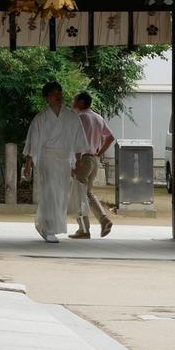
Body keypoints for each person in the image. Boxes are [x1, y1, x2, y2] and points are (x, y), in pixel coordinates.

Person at [23, 81, 92, 243]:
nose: (58, 96)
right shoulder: (41, 118)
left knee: (61, 195)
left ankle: (47, 225)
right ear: (47, 97)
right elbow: (32, 142)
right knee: (49, 193)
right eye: (54, 93)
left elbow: (78, 140)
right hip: (47, 159)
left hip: (64, 159)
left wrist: (78, 162)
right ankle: (48, 227)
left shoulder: (71, 116)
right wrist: (28, 164)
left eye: (59, 93)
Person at [71, 91, 115, 238]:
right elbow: (110, 137)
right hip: (94, 160)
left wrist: (76, 162)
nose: (73, 102)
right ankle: (103, 219)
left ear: (82, 102)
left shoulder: (81, 117)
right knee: (87, 193)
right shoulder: (98, 117)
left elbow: (77, 141)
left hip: (83, 160)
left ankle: (84, 229)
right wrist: (99, 153)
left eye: (75, 100)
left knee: (79, 194)